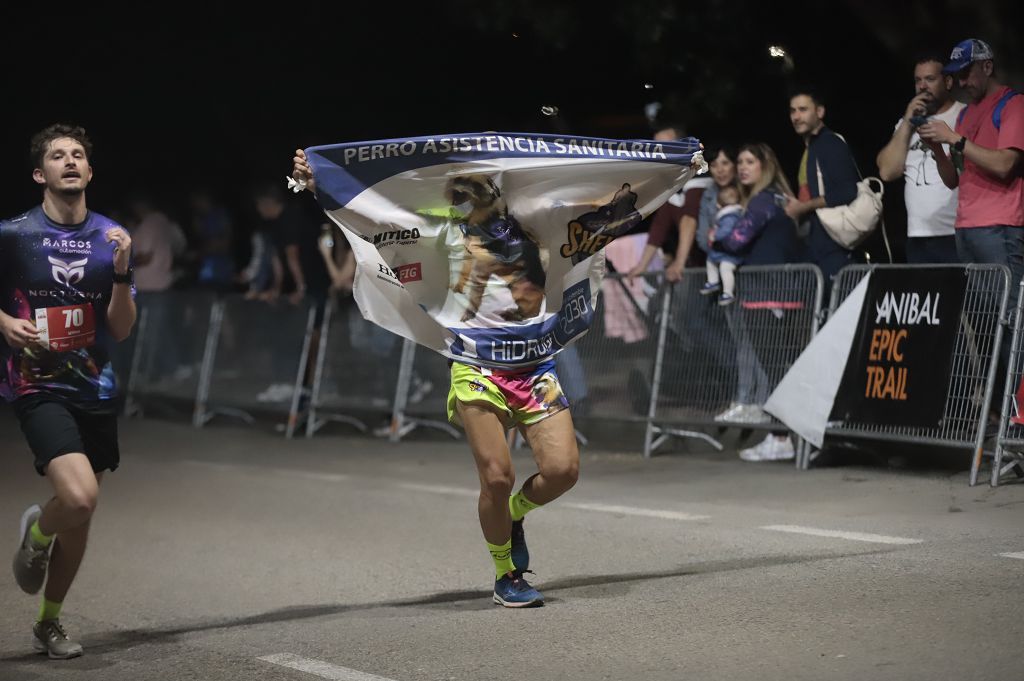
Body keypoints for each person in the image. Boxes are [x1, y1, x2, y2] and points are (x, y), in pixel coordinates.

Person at [294, 147, 688, 609]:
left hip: (534, 365)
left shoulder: (538, 219)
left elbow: (601, 197)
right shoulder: (438, 229)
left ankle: (515, 515)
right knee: (497, 478)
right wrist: (321, 179)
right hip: (476, 367)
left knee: (563, 472)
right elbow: (378, 209)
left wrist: (671, 168)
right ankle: (507, 573)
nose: (471, 197)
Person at [0, 123, 136, 659]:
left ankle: (49, 622)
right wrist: (3, 322)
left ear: (90, 171)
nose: (70, 162)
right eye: (58, 156)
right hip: (36, 383)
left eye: (78, 155)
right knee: (78, 496)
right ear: (41, 173)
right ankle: (36, 536)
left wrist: (123, 272)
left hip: (95, 386)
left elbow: (122, 329)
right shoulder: (13, 234)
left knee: (80, 514)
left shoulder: (112, 238)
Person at [711, 143, 802, 461]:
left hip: (768, 296)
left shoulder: (763, 200)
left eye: (750, 161)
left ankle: (781, 437)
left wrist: (718, 235)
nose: (742, 168)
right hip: (781, 293)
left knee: (776, 370)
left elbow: (736, 240)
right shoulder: (777, 197)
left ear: (766, 165)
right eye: (740, 162)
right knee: (782, 369)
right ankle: (788, 437)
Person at [918, 39, 1024, 289]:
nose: (962, 83)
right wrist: (936, 148)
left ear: (987, 68)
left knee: (1008, 315)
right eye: (958, 75)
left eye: (966, 73)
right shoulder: (966, 114)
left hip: (999, 227)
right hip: (965, 227)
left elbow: (1005, 165)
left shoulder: (1014, 104)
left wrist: (954, 138)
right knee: (982, 317)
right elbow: (954, 179)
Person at [876, 53, 965, 264]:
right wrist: (908, 120)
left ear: (948, 81)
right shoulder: (907, 124)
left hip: (956, 232)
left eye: (930, 79)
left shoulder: (964, 115)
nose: (923, 86)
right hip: (918, 235)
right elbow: (887, 171)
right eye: (918, 80)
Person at [783, 88, 863, 288]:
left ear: (819, 112)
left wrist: (804, 207)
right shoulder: (812, 147)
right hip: (819, 244)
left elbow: (847, 191)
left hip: (834, 245)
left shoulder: (830, 143)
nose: (796, 116)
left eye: (803, 109)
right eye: (793, 111)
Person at [626, 125, 711, 281]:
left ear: (683, 148)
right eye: (655, 147)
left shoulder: (698, 176)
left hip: (714, 268)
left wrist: (679, 263)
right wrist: (642, 266)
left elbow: (689, 220)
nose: (658, 152)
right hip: (696, 267)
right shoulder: (673, 184)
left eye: (665, 146)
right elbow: (660, 225)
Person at [700, 183, 744, 305]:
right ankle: (713, 281)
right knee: (710, 260)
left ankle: (728, 293)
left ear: (719, 205)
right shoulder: (727, 216)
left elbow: (726, 230)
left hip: (730, 252)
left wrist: (715, 235)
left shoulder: (730, 217)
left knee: (726, 268)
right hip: (722, 251)